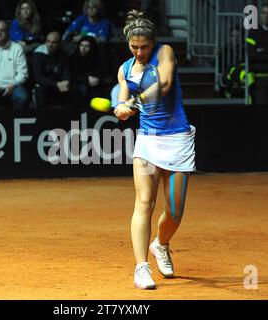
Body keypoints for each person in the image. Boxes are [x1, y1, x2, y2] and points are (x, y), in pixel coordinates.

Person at [113, 10, 196, 290]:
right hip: (147, 142)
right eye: (134, 47)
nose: (139, 52)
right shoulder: (125, 70)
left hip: (178, 140)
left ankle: (160, 245)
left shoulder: (165, 53)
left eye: (144, 46)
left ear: (153, 42)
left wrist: (133, 101)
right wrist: (121, 108)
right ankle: (141, 268)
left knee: (174, 211)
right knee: (144, 202)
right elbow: (122, 99)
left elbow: (164, 84)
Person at [32, 31, 71, 109]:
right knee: (41, 89)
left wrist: (66, 82)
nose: (50, 45)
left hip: (58, 84)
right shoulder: (38, 54)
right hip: (44, 84)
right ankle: (42, 118)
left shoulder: (64, 55)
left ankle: (72, 119)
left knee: (73, 90)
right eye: (48, 41)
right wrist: (57, 84)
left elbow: (66, 73)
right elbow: (38, 78)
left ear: (59, 44)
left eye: (54, 43)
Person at [70, 35, 103, 109]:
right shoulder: (73, 58)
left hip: (94, 84)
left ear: (91, 48)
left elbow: (101, 73)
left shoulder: (97, 58)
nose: (83, 48)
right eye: (81, 45)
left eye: (87, 46)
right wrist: (86, 79)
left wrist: (97, 78)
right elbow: (71, 75)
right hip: (77, 83)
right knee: (81, 89)